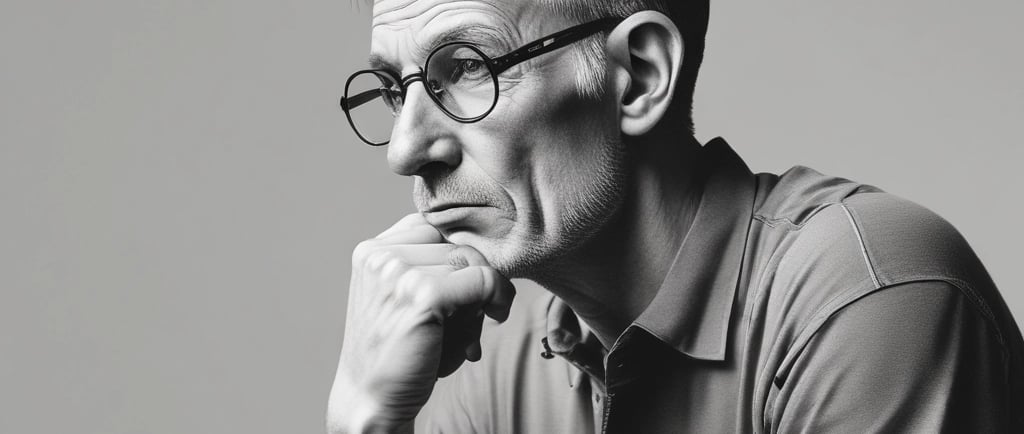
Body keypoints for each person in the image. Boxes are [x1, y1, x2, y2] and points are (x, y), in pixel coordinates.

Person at [327, 0, 1024, 432]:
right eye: (395, 89)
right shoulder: (492, 358)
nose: (407, 148)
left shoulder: (867, 292)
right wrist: (365, 421)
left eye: (468, 66)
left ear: (641, 75)